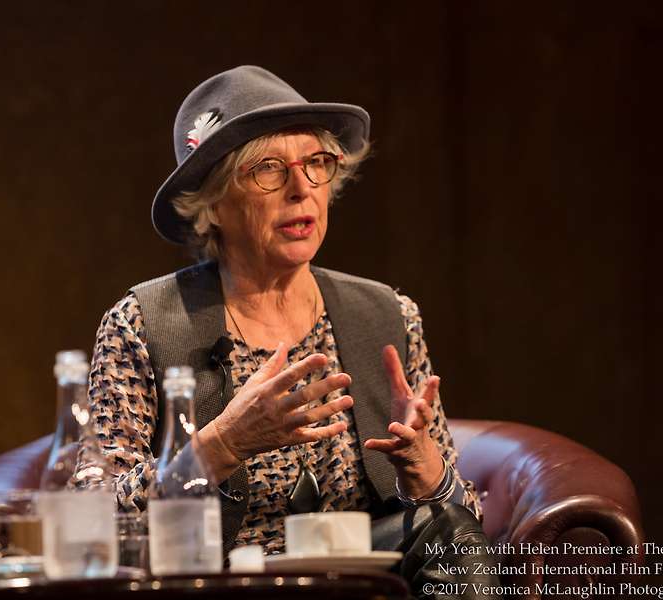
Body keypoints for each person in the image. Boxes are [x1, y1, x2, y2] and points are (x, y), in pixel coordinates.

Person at [78, 65, 501, 598]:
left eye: (316, 163)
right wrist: (220, 445)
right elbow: (91, 522)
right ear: (213, 203)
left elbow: (463, 525)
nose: (302, 190)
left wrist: (425, 469)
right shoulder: (142, 323)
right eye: (268, 169)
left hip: (366, 586)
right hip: (218, 585)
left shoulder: (388, 315)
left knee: (450, 535)